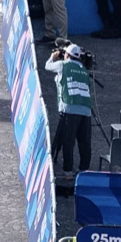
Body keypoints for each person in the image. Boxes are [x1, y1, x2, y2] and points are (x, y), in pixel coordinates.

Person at [44, 43, 95, 176]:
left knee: (68, 141)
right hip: (86, 109)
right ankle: (84, 170)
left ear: (67, 55)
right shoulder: (84, 69)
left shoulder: (63, 65)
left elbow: (47, 66)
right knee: (84, 142)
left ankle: (68, 171)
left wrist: (52, 57)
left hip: (69, 108)